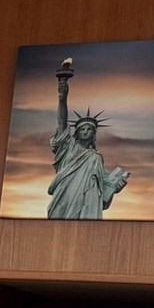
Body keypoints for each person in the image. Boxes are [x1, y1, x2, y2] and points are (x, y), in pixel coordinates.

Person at [47, 58, 129, 218]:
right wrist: (62, 97)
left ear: (94, 134)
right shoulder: (67, 146)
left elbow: (105, 183)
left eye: (89, 129)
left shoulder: (96, 158)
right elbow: (62, 121)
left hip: (89, 200)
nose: (85, 131)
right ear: (76, 132)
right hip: (66, 194)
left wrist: (117, 186)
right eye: (82, 129)